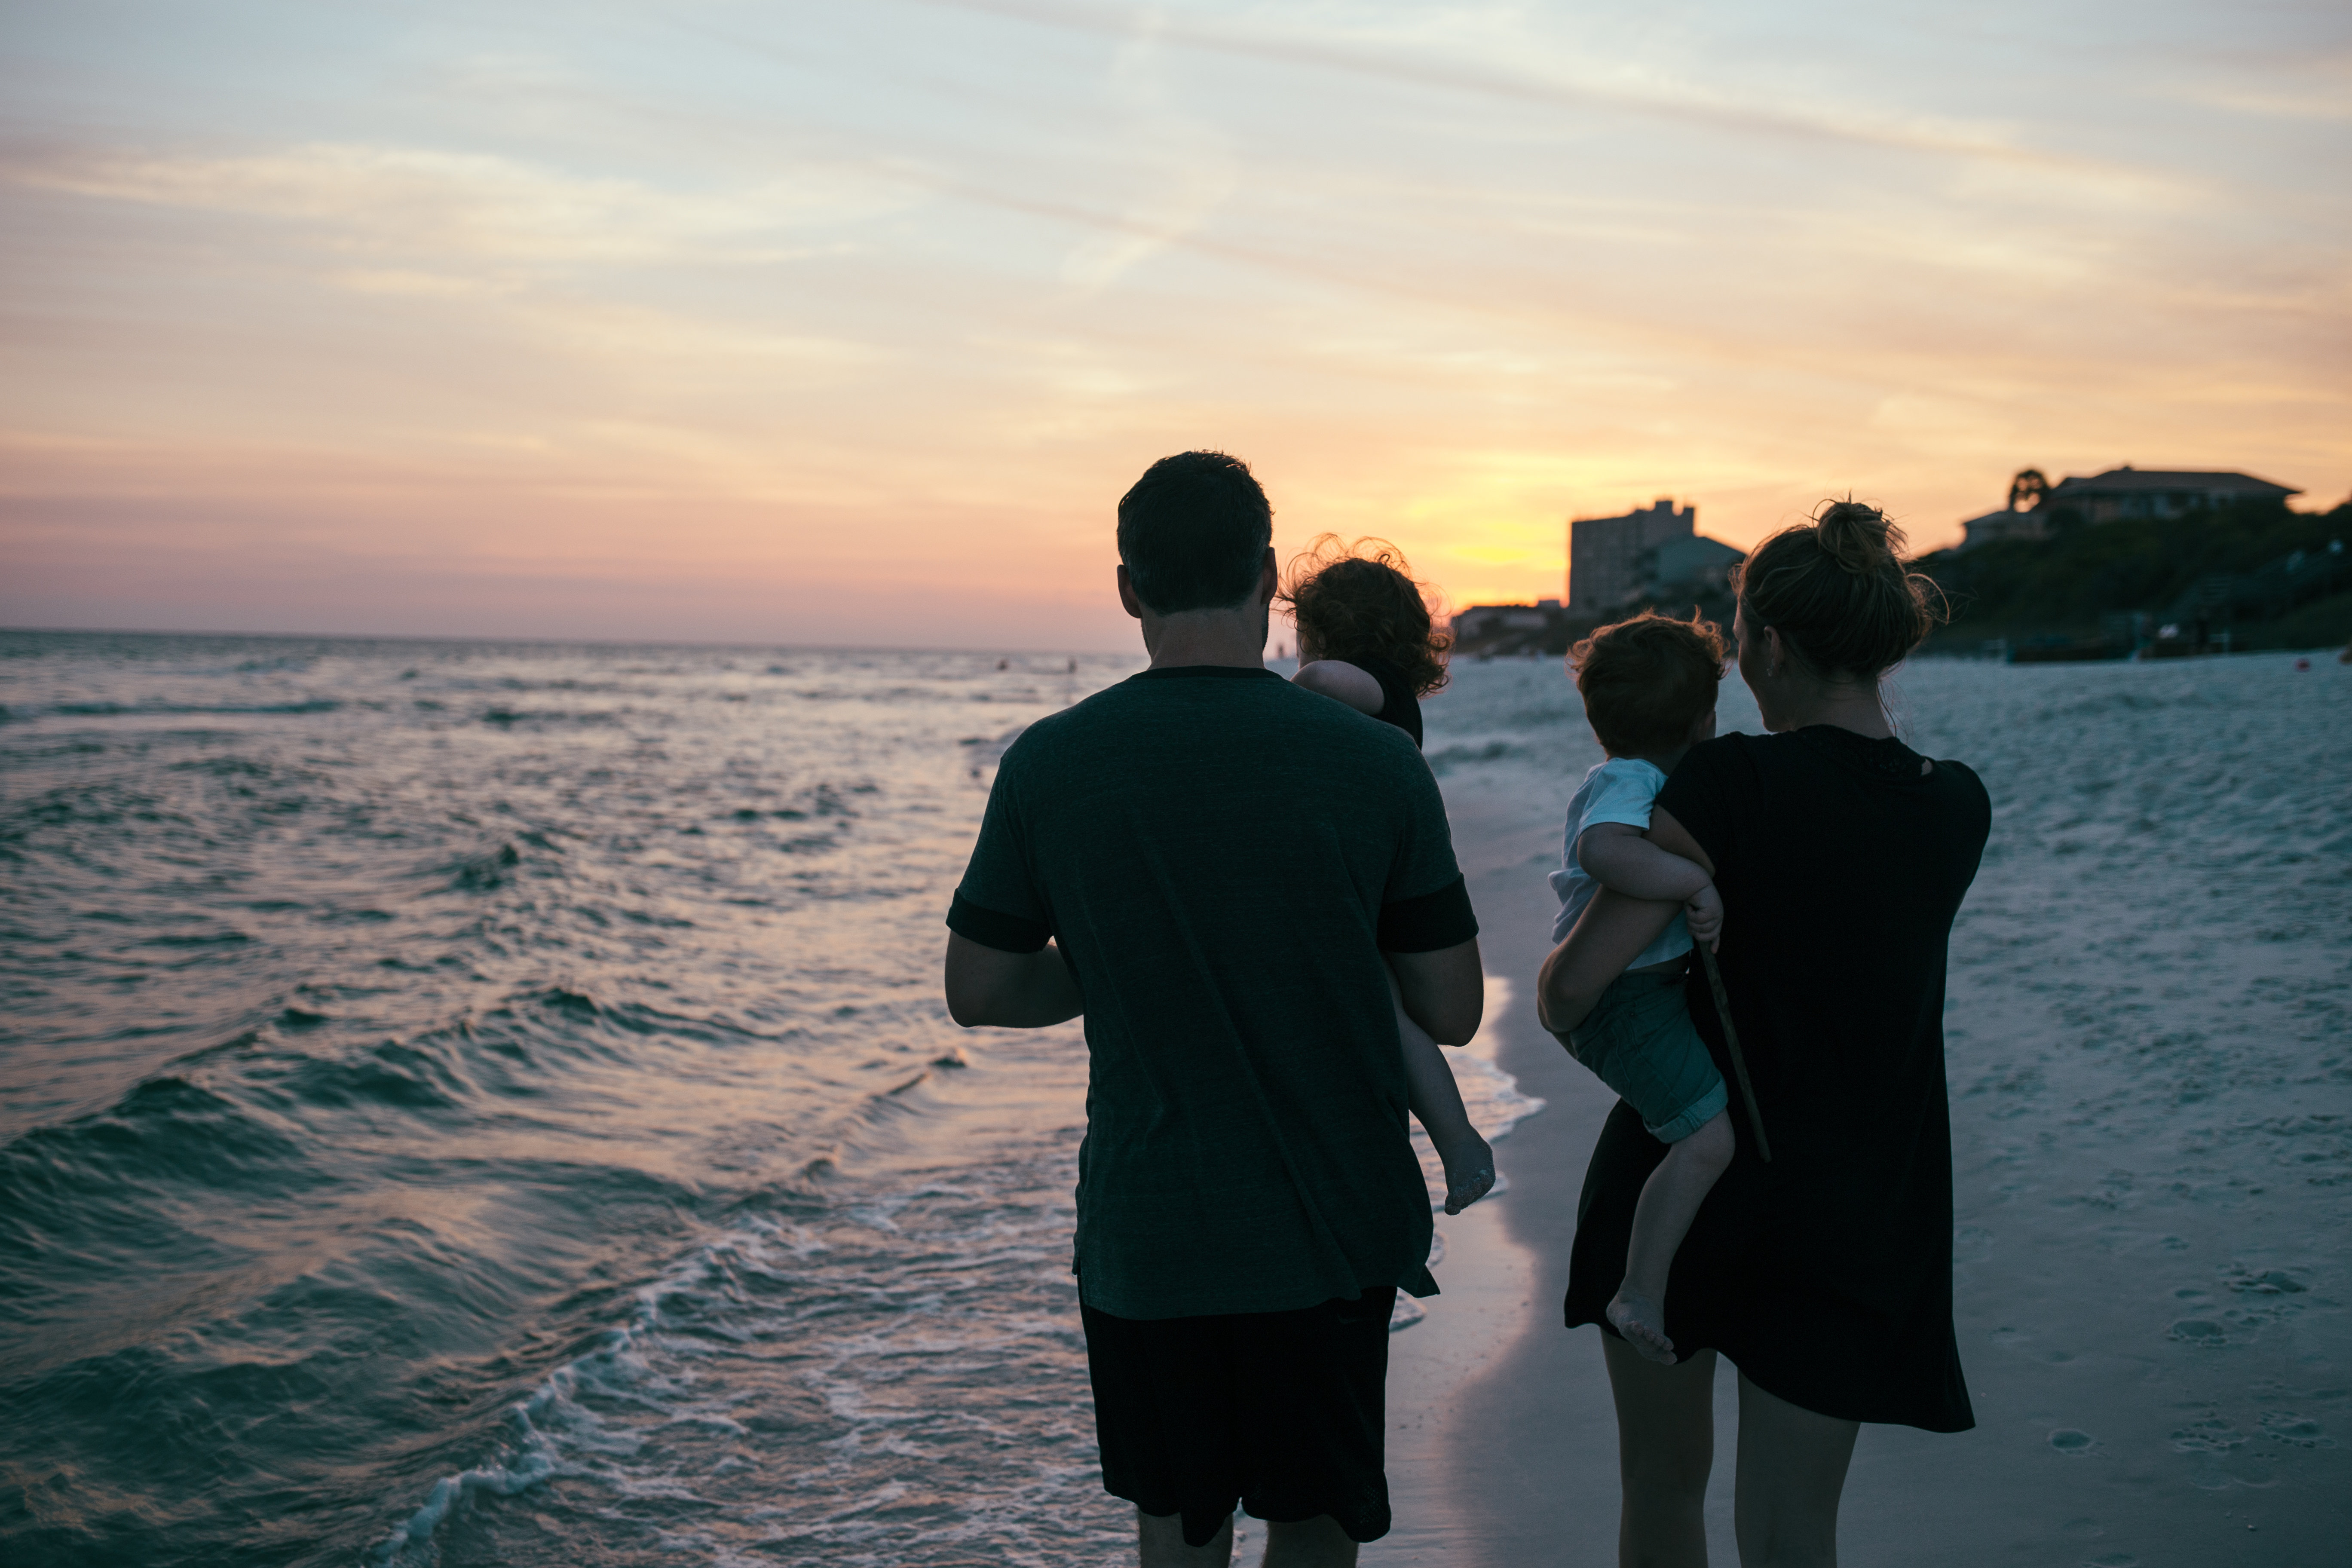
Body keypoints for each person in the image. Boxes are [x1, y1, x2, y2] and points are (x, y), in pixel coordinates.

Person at [942, 451, 1485, 1568]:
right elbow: (1451, 1002)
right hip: (1333, 1225)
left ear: (1129, 588)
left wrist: (1131, 948)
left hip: (1154, 1231)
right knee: (1314, 1533)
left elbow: (984, 988)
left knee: (1179, 1539)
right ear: (1269, 573)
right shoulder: (1377, 765)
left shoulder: (1052, 763)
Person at [1537, 500, 1990, 1568]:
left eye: (1740, 640)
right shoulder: (1955, 808)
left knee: (1662, 1491)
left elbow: (1571, 994)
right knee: (1795, 1538)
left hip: (1685, 1175)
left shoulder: (1728, 783)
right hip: (1859, 1199)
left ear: (1773, 645)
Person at [1281, 535, 1493, 1214]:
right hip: (1367, 880)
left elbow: (1321, 684)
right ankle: (1456, 1138)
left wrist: (1274, 694)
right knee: (1390, 1015)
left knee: (1386, 1007)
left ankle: (1459, 1138)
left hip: (1360, 889)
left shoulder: (1371, 684)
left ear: (1327, 632)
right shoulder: (1392, 695)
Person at [1545, 612, 1733, 1364]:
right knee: (1706, 1139)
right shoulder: (1630, 782)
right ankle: (1640, 1288)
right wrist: (1692, 880)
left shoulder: (1633, 773)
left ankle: (1643, 1285)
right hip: (1621, 998)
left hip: (1634, 991)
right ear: (1705, 720)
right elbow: (1604, 848)